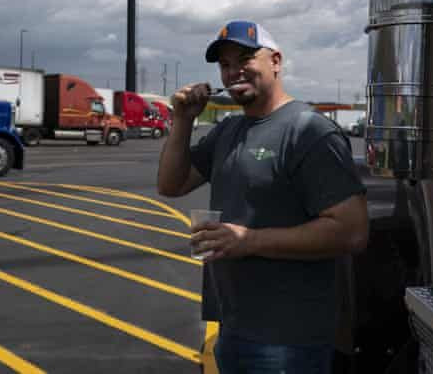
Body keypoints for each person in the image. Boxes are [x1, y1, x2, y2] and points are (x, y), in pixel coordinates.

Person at [157, 20, 369, 374]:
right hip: (232, 327)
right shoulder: (229, 130)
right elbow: (171, 185)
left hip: (288, 340)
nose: (233, 71)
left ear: (276, 61)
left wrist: (249, 240)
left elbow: (352, 231)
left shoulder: (310, 131)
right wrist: (181, 120)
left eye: (245, 58)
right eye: (224, 64)